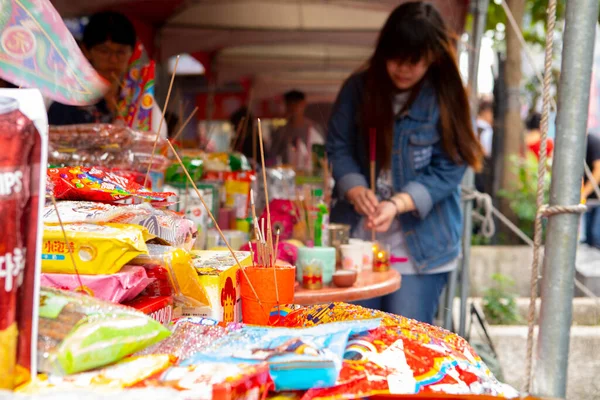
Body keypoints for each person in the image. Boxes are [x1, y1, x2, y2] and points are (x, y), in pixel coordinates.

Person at [325, 2, 484, 324]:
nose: (403, 69)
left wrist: (397, 203)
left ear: (433, 57)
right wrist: (355, 189)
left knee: (405, 338)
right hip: (359, 243)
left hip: (425, 247)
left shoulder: (447, 95)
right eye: (395, 58)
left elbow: (453, 165)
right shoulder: (359, 88)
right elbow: (338, 146)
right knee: (357, 336)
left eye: (415, 61)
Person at [48, 11, 167, 137]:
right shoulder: (69, 101)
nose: (113, 60)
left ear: (131, 54)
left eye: (121, 52)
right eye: (104, 51)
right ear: (86, 51)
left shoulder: (139, 102)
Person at [269, 90, 323, 172]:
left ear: (303, 104)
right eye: (290, 104)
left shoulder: (314, 129)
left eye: (296, 104)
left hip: (309, 177)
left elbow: (320, 157)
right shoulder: (281, 131)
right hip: (287, 177)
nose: (293, 108)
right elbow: (272, 156)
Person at [582, 132, 600, 248]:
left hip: (596, 198)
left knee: (596, 236)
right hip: (590, 199)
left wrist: (583, 193)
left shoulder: (592, 142)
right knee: (589, 238)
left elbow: (598, 170)